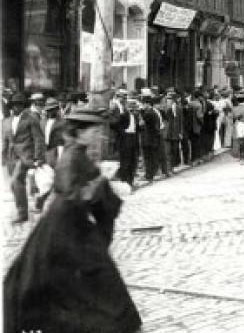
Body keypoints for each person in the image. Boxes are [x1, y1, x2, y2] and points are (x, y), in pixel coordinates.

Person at [3, 100, 142, 333]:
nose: (99, 136)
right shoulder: (71, 156)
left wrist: (104, 188)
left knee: (95, 285)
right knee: (90, 286)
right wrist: (97, 185)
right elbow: (70, 194)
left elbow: (97, 196)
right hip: (64, 230)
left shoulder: (82, 154)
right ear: (81, 133)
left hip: (76, 230)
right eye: (95, 131)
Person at [2, 93, 45, 224]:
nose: (17, 108)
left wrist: (38, 157)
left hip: (25, 156)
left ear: (24, 106)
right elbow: (5, 140)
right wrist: (2, 156)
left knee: (16, 181)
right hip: (11, 156)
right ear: (11, 106)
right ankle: (22, 210)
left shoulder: (31, 119)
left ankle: (22, 214)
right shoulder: (6, 121)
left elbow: (38, 138)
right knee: (14, 185)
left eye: (19, 105)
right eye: (15, 105)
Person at [35, 98, 64, 211]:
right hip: (44, 152)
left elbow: (63, 140)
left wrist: (61, 156)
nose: (50, 112)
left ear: (57, 110)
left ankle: (44, 200)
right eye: (48, 110)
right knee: (45, 178)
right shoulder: (42, 122)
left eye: (52, 110)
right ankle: (42, 198)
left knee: (56, 178)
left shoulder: (62, 123)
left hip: (56, 151)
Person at [139, 95, 161, 185]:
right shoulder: (154, 113)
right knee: (152, 157)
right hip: (154, 138)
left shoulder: (148, 113)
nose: (142, 106)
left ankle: (149, 175)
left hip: (148, 139)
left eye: (143, 104)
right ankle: (152, 174)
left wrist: (140, 113)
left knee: (148, 158)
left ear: (147, 104)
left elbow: (141, 124)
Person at [162, 90, 184, 172]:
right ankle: (168, 169)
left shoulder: (179, 108)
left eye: (170, 98)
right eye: (168, 98)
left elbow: (181, 121)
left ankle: (172, 167)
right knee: (167, 151)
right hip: (167, 133)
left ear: (174, 99)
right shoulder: (164, 108)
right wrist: (168, 108)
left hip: (175, 133)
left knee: (174, 151)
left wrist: (181, 132)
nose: (168, 100)